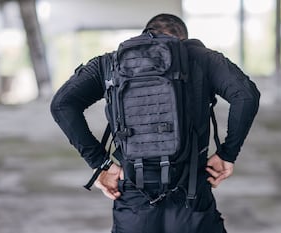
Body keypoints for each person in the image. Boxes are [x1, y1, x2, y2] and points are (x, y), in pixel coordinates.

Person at [50, 13, 260, 233]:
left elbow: (62, 105)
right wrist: (227, 154)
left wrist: (101, 163)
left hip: (133, 201)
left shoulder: (110, 63)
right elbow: (246, 95)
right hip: (192, 199)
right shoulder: (201, 58)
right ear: (184, 40)